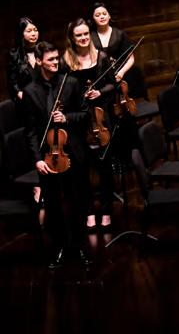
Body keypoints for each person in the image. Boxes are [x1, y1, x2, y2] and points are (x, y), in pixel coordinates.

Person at [21, 41, 90, 268]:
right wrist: (37, 160)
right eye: (50, 59)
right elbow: (30, 131)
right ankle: (59, 247)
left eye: (56, 58)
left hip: (72, 153)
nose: (55, 62)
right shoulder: (30, 92)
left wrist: (67, 118)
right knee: (53, 205)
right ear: (39, 61)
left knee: (77, 201)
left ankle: (81, 246)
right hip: (48, 157)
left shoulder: (70, 83)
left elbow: (86, 114)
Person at [64, 18, 116, 230]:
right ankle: (88, 211)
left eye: (86, 33)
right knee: (81, 170)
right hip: (79, 122)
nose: (84, 38)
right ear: (72, 38)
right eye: (79, 35)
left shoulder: (101, 57)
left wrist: (99, 92)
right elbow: (63, 93)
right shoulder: (66, 61)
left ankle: (106, 210)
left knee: (104, 168)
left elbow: (113, 84)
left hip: (100, 119)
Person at [89, 3, 136, 86]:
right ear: (93, 19)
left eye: (104, 14)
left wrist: (121, 72)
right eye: (97, 15)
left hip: (120, 75)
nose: (102, 17)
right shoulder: (90, 37)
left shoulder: (120, 34)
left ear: (109, 16)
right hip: (99, 78)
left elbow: (131, 59)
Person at [7, 17, 40, 104]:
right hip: (26, 101)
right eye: (29, 31)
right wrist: (21, 95)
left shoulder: (43, 50)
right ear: (21, 34)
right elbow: (13, 83)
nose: (34, 34)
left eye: (35, 30)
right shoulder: (14, 55)